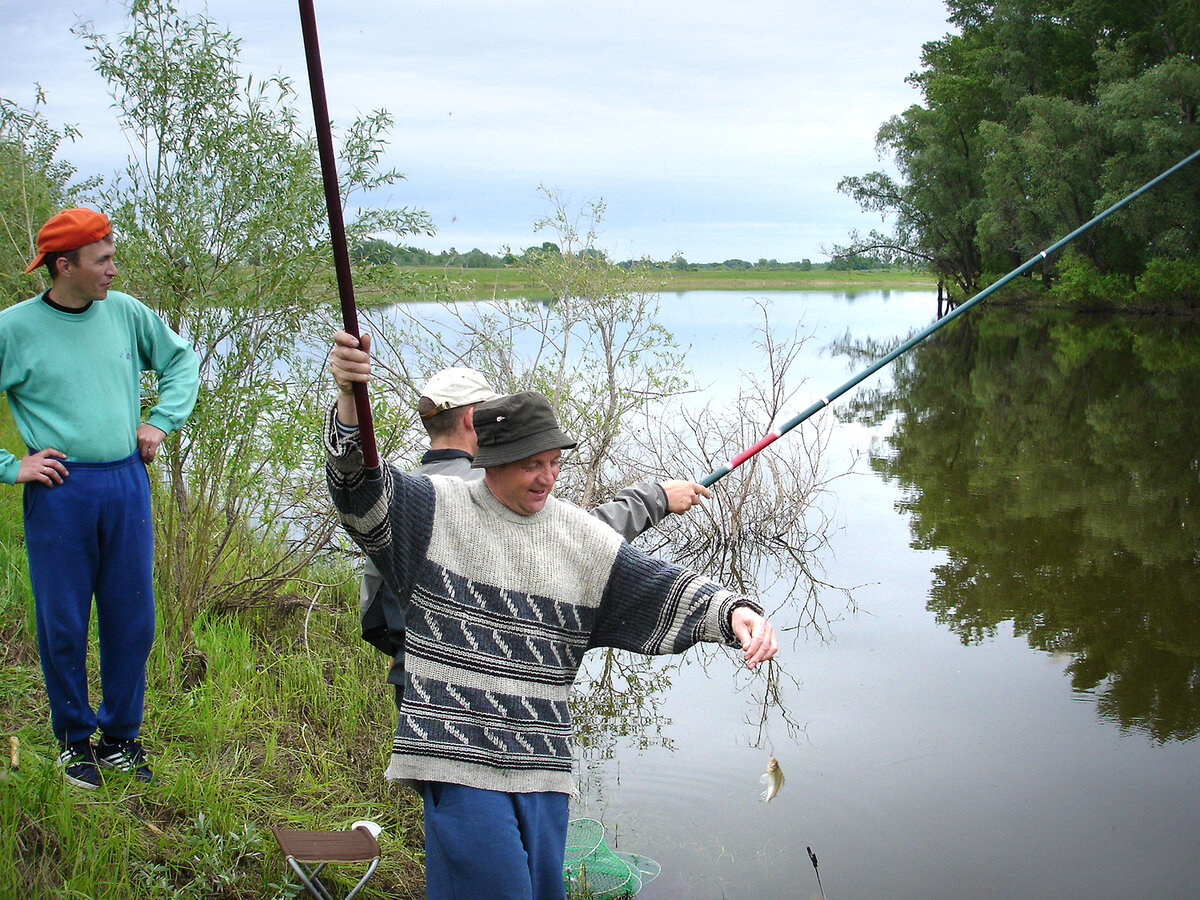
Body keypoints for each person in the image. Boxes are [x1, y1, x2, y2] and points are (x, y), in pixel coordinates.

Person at [326, 330, 776, 900]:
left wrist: (734, 612)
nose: (546, 477)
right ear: (490, 459)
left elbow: (659, 588)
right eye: (530, 464)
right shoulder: (432, 508)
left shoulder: (578, 535)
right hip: (456, 759)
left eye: (553, 462)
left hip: (542, 767)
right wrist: (348, 398)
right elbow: (357, 488)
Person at [359, 365, 715, 721]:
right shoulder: (484, 491)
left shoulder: (403, 498)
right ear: (472, 419)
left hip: (411, 688)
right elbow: (574, 544)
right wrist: (655, 499)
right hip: (486, 691)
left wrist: (401, 647)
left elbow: (374, 604)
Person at [0, 208, 199, 788]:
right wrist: (13, 467)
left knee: (132, 618)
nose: (114, 269)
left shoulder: (127, 313)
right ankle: (72, 741)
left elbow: (180, 361)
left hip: (124, 482)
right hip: (60, 490)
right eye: (103, 259)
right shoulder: (14, 329)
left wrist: (159, 421)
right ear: (65, 266)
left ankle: (120, 738)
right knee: (63, 621)